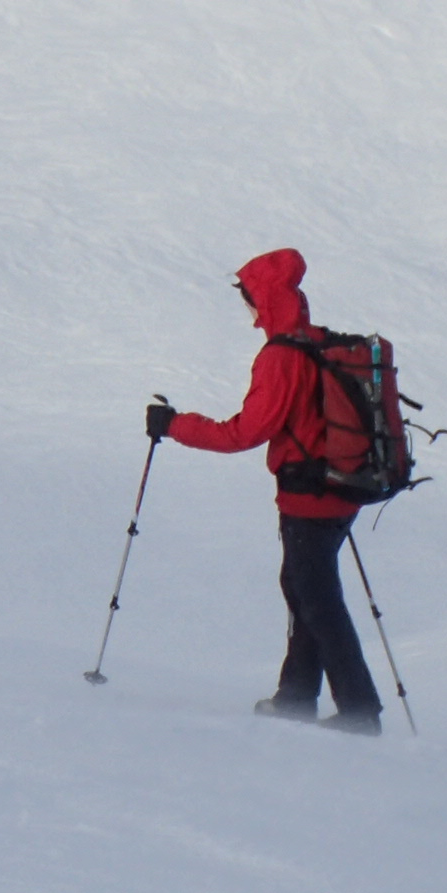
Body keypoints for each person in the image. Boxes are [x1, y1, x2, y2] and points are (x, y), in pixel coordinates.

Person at [146, 248, 384, 735]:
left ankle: (360, 710)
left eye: (248, 298)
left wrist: (175, 425)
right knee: (304, 586)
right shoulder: (318, 343)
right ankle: (296, 695)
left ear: (263, 299)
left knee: (315, 595)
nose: (247, 310)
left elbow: (244, 433)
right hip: (345, 488)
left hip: (308, 494)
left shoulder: (280, 357)